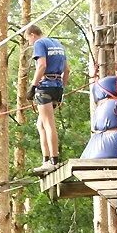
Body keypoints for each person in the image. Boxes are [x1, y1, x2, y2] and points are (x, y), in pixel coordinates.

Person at [24, 24, 70, 173]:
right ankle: (46, 159)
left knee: (48, 123)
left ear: (32, 35)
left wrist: (33, 86)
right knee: (41, 125)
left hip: (45, 86)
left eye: (28, 40)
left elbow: (42, 65)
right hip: (57, 86)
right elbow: (67, 69)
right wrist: (62, 87)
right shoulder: (57, 44)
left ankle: (53, 160)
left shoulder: (39, 43)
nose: (30, 44)